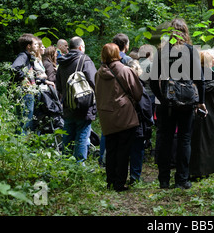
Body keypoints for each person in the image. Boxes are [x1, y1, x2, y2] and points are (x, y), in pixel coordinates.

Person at [149, 18, 206, 190]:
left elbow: (152, 81)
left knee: (165, 139)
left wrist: (162, 98)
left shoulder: (163, 51)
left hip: (167, 103)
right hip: (187, 102)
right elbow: (200, 80)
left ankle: (164, 180)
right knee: (184, 139)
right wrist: (200, 102)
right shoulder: (191, 50)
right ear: (186, 32)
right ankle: (182, 179)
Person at [95, 43, 143, 191]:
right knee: (123, 150)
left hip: (106, 116)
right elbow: (137, 93)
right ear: (117, 54)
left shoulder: (98, 73)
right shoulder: (125, 71)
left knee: (111, 150)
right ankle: (119, 183)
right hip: (124, 116)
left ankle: (110, 181)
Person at [56, 36, 97, 162]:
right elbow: (94, 81)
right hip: (83, 105)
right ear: (80, 47)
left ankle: (65, 162)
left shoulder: (61, 62)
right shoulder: (85, 60)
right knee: (82, 135)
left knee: (67, 134)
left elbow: (58, 85)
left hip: (68, 104)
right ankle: (79, 165)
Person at [189, 50, 214, 180]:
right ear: (210, 61)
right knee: (209, 142)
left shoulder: (191, 75)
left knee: (193, 141)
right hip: (211, 114)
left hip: (193, 112)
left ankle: (192, 169)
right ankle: (206, 170)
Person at [127, 59, 154, 184]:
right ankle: (135, 176)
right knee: (137, 150)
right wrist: (149, 121)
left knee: (126, 148)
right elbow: (145, 106)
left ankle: (123, 175)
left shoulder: (123, 85)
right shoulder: (139, 86)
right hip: (138, 122)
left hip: (125, 121)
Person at [11, 33, 39, 133]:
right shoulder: (23, 56)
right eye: (35, 44)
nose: (37, 46)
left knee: (25, 119)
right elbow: (14, 68)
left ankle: (20, 142)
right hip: (25, 93)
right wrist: (24, 77)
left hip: (28, 92)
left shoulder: (29, 57)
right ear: (28, 46)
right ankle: (20, 142)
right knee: (24, 119)